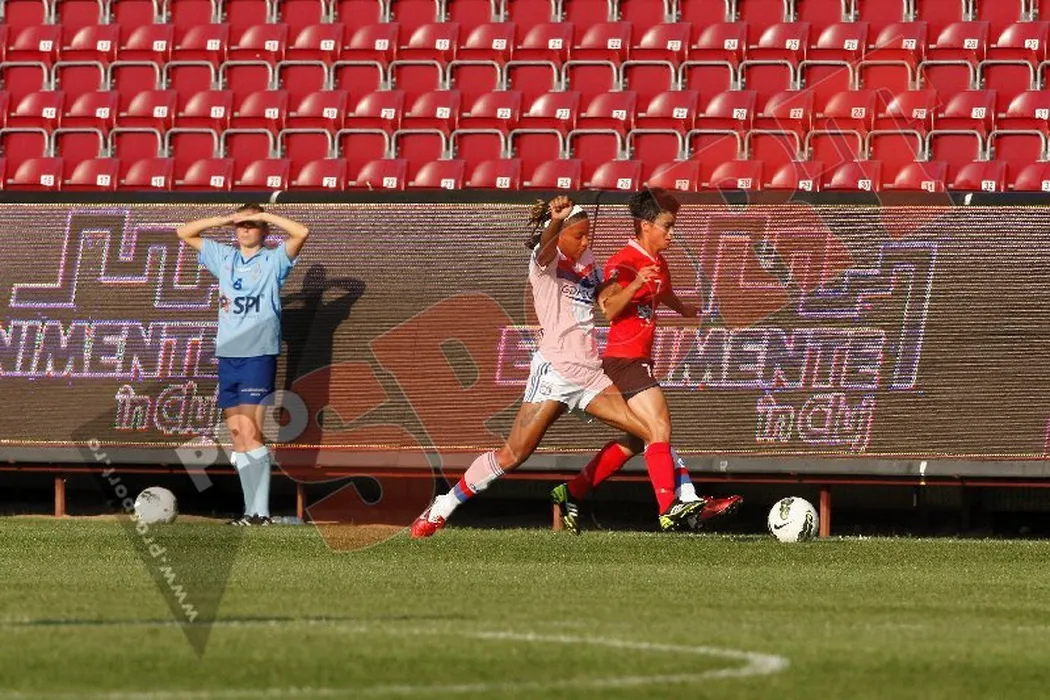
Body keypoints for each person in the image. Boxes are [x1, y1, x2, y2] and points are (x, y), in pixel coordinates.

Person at [411, 195, 706, 538]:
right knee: (513, 454)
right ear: (561, 235)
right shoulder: (545, 262)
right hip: (555, 372)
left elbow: (606, 300)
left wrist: (639, 287)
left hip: (591, 374)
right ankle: (443, 506)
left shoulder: (588, 261)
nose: (585, 242)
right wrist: (555, 221)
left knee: (651, 432)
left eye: (588, 235)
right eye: (578, 235)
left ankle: (680, 500)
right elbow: (548, 244)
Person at [550, 189, 743, 533]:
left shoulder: (659, 263)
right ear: (645, 226)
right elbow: (609, 309)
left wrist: (684, 308)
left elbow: (663, 291)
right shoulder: (623, 261)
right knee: (660, 427)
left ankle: (572, 491)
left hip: (639, 360)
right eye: (667, 226)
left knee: (637, 440)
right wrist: (636, 281)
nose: (672, 233)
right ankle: (670, 506)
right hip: (623, 361)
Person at [176, 203, 309, 525]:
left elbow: (301, 232)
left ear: (264, 230)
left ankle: (261, 512)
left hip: (257, 354)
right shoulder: (225, 257)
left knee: (251, 432)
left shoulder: (273, 260)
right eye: (242, 225)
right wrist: (224, 220)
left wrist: (265, 216)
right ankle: (251, 512)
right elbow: (184, 232)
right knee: (237, 437)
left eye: (252, 225)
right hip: (229, 355)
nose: (245, 230)